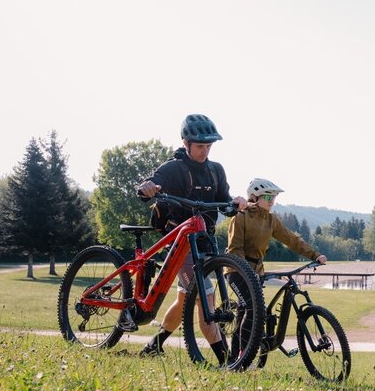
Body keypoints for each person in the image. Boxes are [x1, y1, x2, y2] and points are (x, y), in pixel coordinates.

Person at [136, 114, 247, 363]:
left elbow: (225, 202)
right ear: (186, 144)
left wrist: (236, 203)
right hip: (181, 243)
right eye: (200, 146)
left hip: (206, 240)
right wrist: (148, 188)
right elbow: (154, 182)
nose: (205, 151)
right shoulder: (173, 168)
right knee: (205, 299)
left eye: (209, 146)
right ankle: (227, 361)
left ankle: (155, 344)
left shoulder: (216, 170)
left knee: (184, 298)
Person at [226, 178, 327, 278]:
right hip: (237, 270)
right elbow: (235, 248)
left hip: (257, 271)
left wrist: (315, 255)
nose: (271, 201)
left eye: (273, 198)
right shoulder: (241, 215)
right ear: (254, 197)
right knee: (248, 295)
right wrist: (246, 272)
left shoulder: (271, 219)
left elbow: (291, 239)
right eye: (267, 197)